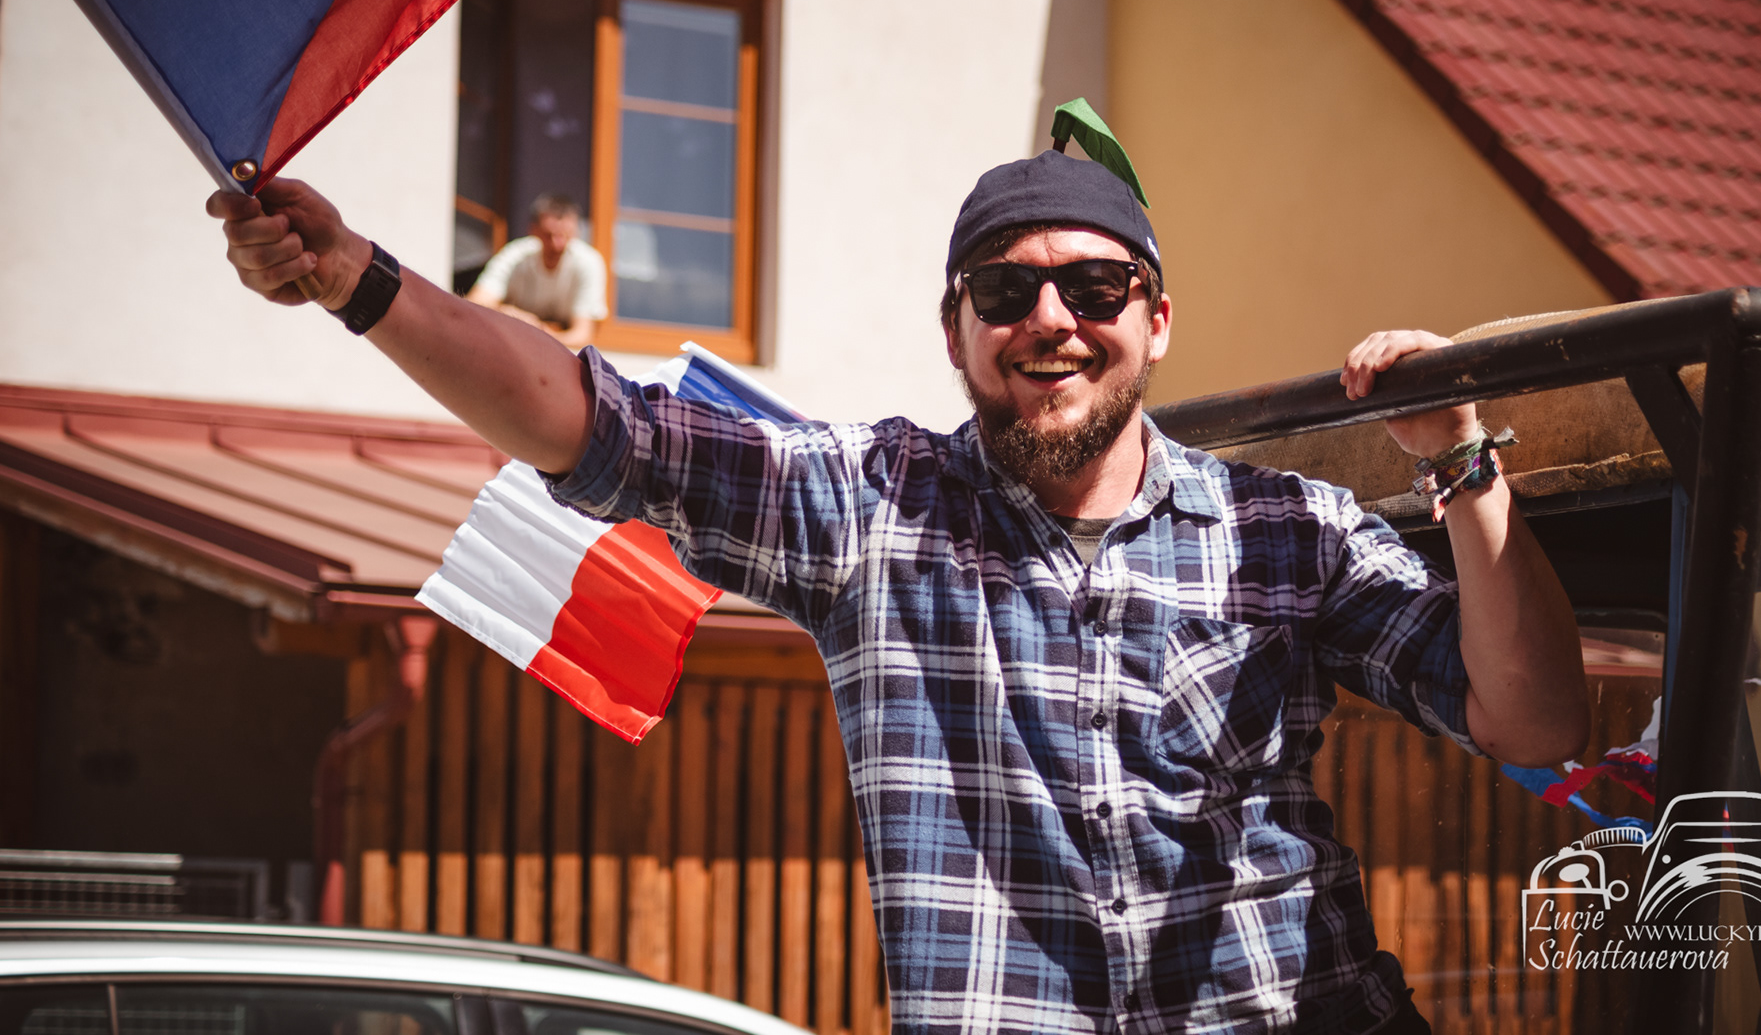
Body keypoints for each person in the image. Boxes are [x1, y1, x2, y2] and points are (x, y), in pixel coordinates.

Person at [208, 150, 1589, 1035]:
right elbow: (590, 416)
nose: (1052, 319)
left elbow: (1536, 721)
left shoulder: (1291, 532)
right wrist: (356, 279)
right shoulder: (872, 511)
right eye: (1007, 290)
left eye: (1095, 284)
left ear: (1156, 319)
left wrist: (1462, 460)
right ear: (957, 330)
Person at [466, 194, 607, 349]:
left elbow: (582, 335)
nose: (557, 244)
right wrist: (511, 314)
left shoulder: (589, 262)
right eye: (549, 235)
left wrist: (539, 333)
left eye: (565, 235)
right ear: (533, 230)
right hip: (513, 346)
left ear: (576, 232)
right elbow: (474, 304)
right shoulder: (515, 256)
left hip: (560, 352)